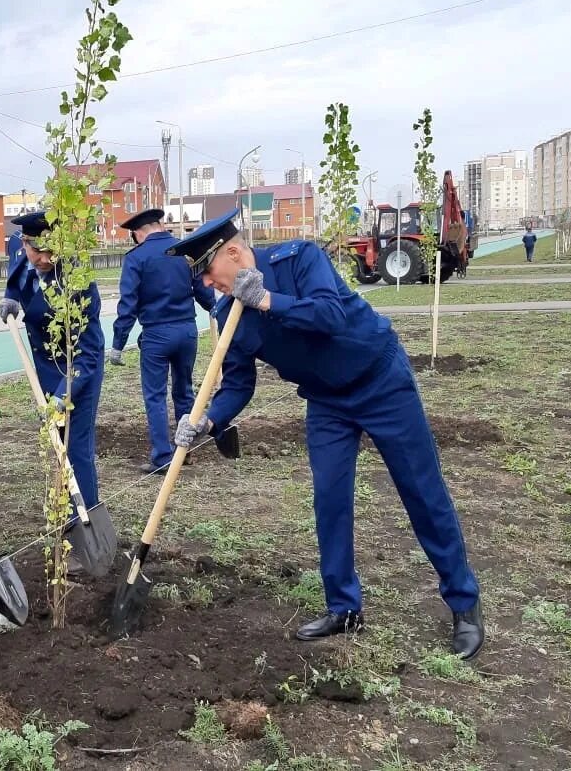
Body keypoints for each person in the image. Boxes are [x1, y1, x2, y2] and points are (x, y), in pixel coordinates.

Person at [168, 209, 484, 660]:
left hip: (380, 381)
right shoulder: (228, 312)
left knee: (421, 492)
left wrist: (267, 301)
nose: (208, 287)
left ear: (234, 253)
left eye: (211, 276)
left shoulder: (299, 259)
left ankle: (464, 603)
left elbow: (330, 316)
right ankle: (344, 608)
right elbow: (238, 382)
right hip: (326, 403)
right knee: (330, 501)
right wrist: (209, 421)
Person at [0, 210, 111, 552]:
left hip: (76, 374)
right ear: (25, 243)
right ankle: (65, 519)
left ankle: (85, 528)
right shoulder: (23, 257)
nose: (44, 259)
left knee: (75, 449)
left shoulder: (78, 282)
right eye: (37, 250)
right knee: (56, 448)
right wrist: (11, 296)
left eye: (52, 251)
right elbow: (18, 278)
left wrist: (64, 394)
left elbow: (88, 354)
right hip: (42, 371)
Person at [107, 207, 216, 474]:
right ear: (160, 225)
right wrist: (215, 309)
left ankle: (163, 457)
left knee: (155, 397)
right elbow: (202, 289)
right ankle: (185, 451)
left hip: (156, 335)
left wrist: (118, 343)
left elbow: (128, 304)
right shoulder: (185, 250)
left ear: (137, 233)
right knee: (184, 391)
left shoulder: (137, 258)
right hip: (187, 332)